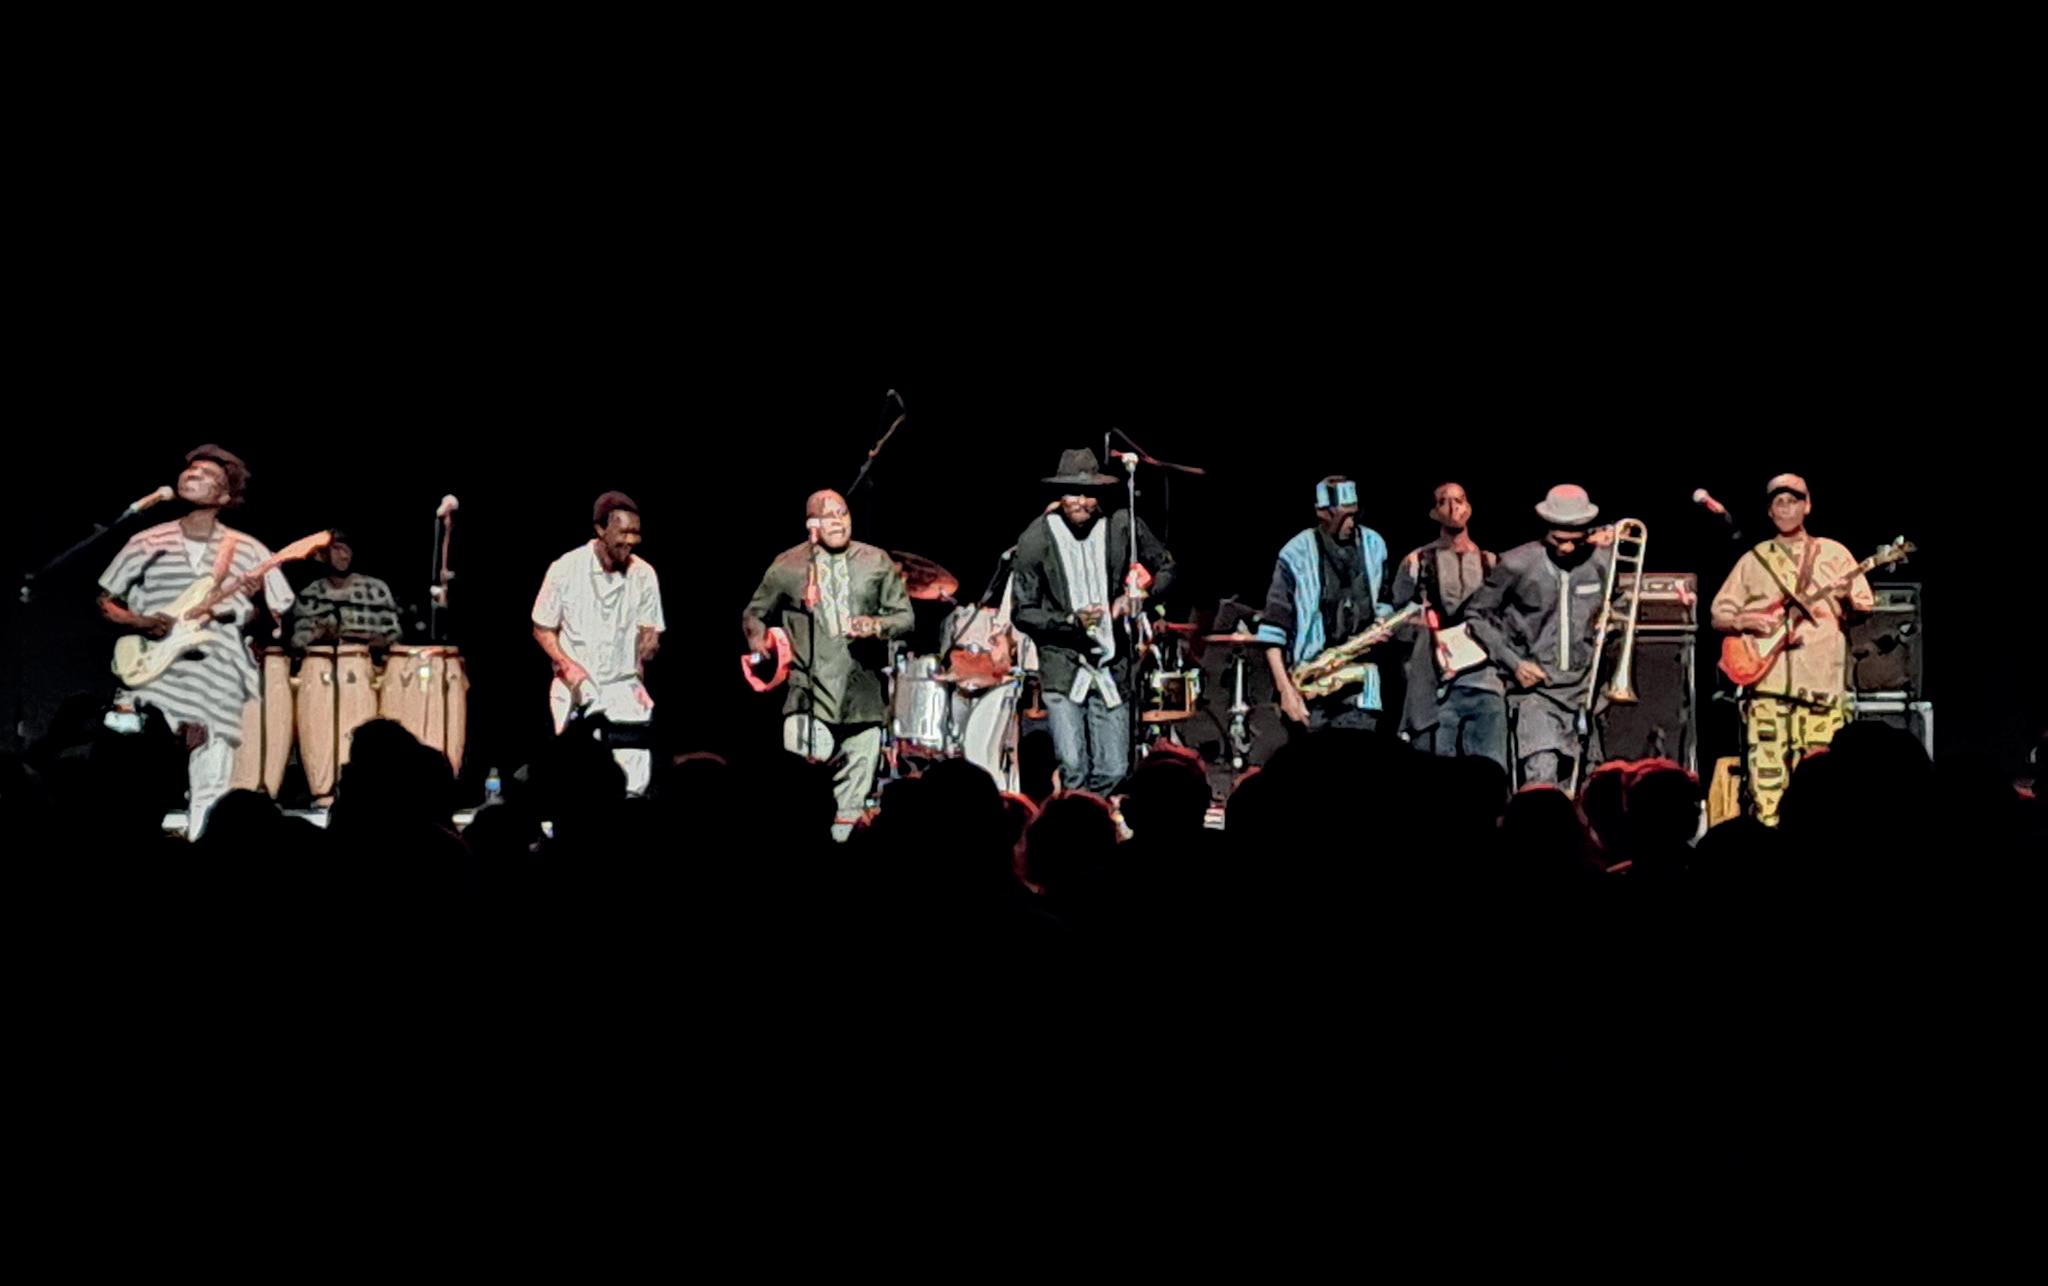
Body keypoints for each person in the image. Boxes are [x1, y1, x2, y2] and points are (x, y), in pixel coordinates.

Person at [96, 445, 295, 838]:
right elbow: (105, 600)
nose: (193, 475)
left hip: (217, 673)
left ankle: (203, 844)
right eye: (191, 470)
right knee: (137, 775)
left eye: (207, 475)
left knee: (212, 778)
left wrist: (254, 602)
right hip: (152, 672)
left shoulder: (248, 549)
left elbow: (276, 618)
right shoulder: (145, 540)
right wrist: (141, 620)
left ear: (225, 497)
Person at [742, 489, 913, 839]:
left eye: (843, 514)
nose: (838, 522)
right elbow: (754, 614)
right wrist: (761, 644)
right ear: (812, 524)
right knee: (804, 799)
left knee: (852, 804)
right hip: (808, 697)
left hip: (862, 698)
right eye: (828, 516)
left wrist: (875, 625)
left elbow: (905, 617)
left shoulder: (875, 561)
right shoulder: (788, 565)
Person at [1709, 473, 1874, 825]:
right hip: (1767, 688)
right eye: (1778, 502)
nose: (1786, 508)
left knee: (1824, 784)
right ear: (1769, 511)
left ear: (1807, 505)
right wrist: (1747, 620)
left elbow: (1864, 605)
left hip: (1821, 689)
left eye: (1793, 501)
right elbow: (1719, 613)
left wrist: (1845, 594)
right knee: (1766, 782)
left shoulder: (1833, 553)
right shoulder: (1754, 559)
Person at [1011, 449, 1177, 793]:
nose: (1082, 502)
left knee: (1115, 769)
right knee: (1073, 766)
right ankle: (1076, 815)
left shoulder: (1121, 526)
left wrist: (1141, 595)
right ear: (1060, 494)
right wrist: (1069, 621)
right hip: (1063, 665)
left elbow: (1167, 567)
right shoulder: (1036, 539)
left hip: (1111, 666)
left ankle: (1092, 814)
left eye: (1089, 494)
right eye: (1074, 493)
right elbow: (1023, 611)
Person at [1465, 484, 1617, 787]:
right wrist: (1513, 663)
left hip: (1586, 693)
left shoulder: (1602, 563)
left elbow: (1620, 607)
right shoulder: (1516, 563)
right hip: (1537, 693)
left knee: (1590, 784)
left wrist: (1613, 623)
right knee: (1542, 775)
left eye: (1575, 540)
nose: (1567, 548)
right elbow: (1477, 614)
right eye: (1559, 540)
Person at [533, 491, 665, 794]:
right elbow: (542, 628)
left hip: (623, 684)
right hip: (577, 684)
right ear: (601, 529)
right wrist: (567, 666)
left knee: (633, 779)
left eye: (636, 533)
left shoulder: (644, 574)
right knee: (580, 776)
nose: (631, 541)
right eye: (624, 532)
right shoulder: (566, 569)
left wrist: (650, 644)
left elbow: (650, 629)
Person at [1256, 475, 1392, 732]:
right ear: (1324, 513)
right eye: (1344, 515)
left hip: (1361, 686)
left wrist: (1383, 623)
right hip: (1311, 687)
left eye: (1354, 514)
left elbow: (1384, 600)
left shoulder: (1374, 545)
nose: (1351, 522)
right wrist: (1285, 690)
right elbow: (1273, 631)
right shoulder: (1295, 554)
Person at [1389, 482, 1507, 771]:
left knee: (1490, 770)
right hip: (1438, 686)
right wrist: (1420, 628)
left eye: (1460, 500)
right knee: (1439, 773)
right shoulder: (1417, 562)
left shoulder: (1491, 562)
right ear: (1434, 512)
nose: (1454, 508)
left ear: (1469, 507)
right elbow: (1395, 621)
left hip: (1484, 682)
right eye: (1444, 501)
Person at [288, 530, 403, 648]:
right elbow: (300, 639)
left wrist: (381, 641)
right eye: (336, 549)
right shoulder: (311, 596)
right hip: (327, 658)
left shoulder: (375, 590)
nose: (344, 556)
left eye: (347, 549)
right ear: (320, 555)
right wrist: (317, 635)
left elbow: (393, 633)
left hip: (369, 657)